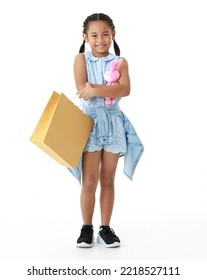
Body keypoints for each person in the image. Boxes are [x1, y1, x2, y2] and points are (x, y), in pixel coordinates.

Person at [69, 13, 144, 248]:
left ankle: (105, 228)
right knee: (89, 180)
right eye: (94, 35)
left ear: (113, 34)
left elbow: (125, 90)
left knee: (108, 180)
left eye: (105, 34)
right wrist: (105, 89)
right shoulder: (81, 59)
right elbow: (82, 90)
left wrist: (96, 89)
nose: (100, 40)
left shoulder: (120, 62)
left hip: (114, 126)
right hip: (90, 125)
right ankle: (86, 227)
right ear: (85, 37)